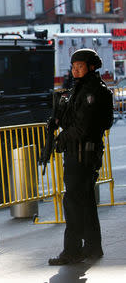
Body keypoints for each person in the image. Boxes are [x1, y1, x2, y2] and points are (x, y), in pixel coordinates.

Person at [48, 49, 114, 265]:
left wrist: (62, 138)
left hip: (82, 153)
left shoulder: (92, 91)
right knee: (84, 201)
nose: (75, 70)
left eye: (80, 66)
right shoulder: (81, 88)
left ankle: (73, 250)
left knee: (74, 201)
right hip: (80, 152)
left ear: (92, 67)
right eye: (74, 66)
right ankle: (93, 247)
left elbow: (83, 126)